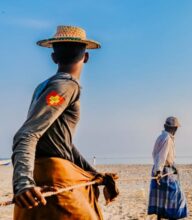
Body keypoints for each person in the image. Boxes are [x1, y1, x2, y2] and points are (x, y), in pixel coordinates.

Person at [11, 25, 118, 220]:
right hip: (53, 181)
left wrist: (95, 175)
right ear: (86, 57)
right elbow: (27, 134)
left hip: (40, 179)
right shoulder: (66, 86)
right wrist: (23, 183)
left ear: (54, 58)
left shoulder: (43, 86)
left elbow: (62, 142)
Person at [148, 117, 188, 219]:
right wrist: (159, 171)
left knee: (160, 198)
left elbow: (154, 154)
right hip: (164, 171)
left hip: (161, 169)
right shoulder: (167, 139)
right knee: (176, 196)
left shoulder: (160, 137)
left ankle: (160, 218)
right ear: (174, 128)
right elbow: (162, 156)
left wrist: (158, 168)